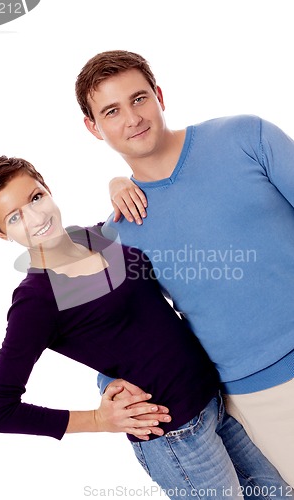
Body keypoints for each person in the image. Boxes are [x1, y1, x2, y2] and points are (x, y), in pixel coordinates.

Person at [0, 156, 291, 500]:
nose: (35, 218)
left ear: (47, 188)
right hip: (175, 435)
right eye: (14, 217)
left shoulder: (97, 237)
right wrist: (97, 420)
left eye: (35, 198)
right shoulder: (36, 300)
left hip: (215, 401)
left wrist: (119, 181)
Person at [75, 50, 294, 488]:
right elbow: (124, 331)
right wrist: (111, 389)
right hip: (253, 395)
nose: (132, 118)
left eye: (139, 99)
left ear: (159, 96)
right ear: (93, 128)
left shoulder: (247, 137)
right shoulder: (119, 234)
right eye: (112, 111)